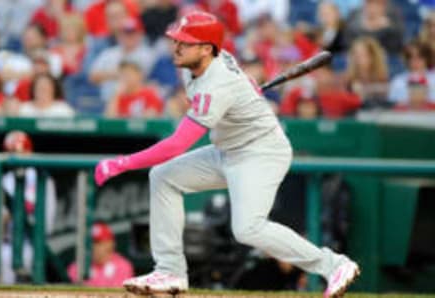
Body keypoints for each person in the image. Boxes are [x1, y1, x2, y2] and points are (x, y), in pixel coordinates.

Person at [94, 11, 360, 297]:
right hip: (229, 147)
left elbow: (175, 145)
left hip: (261, 152)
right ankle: (170, 271)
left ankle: (333, 265)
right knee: (163, 177)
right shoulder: (200, 64)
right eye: (177, 40)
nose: (177, 46)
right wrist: (242, 95)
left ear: (207, 49)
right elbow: (223, 85)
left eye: (186, 42)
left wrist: (123, 163)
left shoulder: (217, 84)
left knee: (247, 229)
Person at [0, 130, 57, 284]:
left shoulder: (40, 176)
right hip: (8, 244)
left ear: (29, 152)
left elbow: (48, 219)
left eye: (21, 152)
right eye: (11, 152)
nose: (17, 157)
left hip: (32, 244)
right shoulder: (5, 180)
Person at [67, 222, 134, 287]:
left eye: (100, 243)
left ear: (111, 244)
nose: (95, 247)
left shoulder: (123, 266)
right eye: (93, 243)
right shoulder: (77, 268)